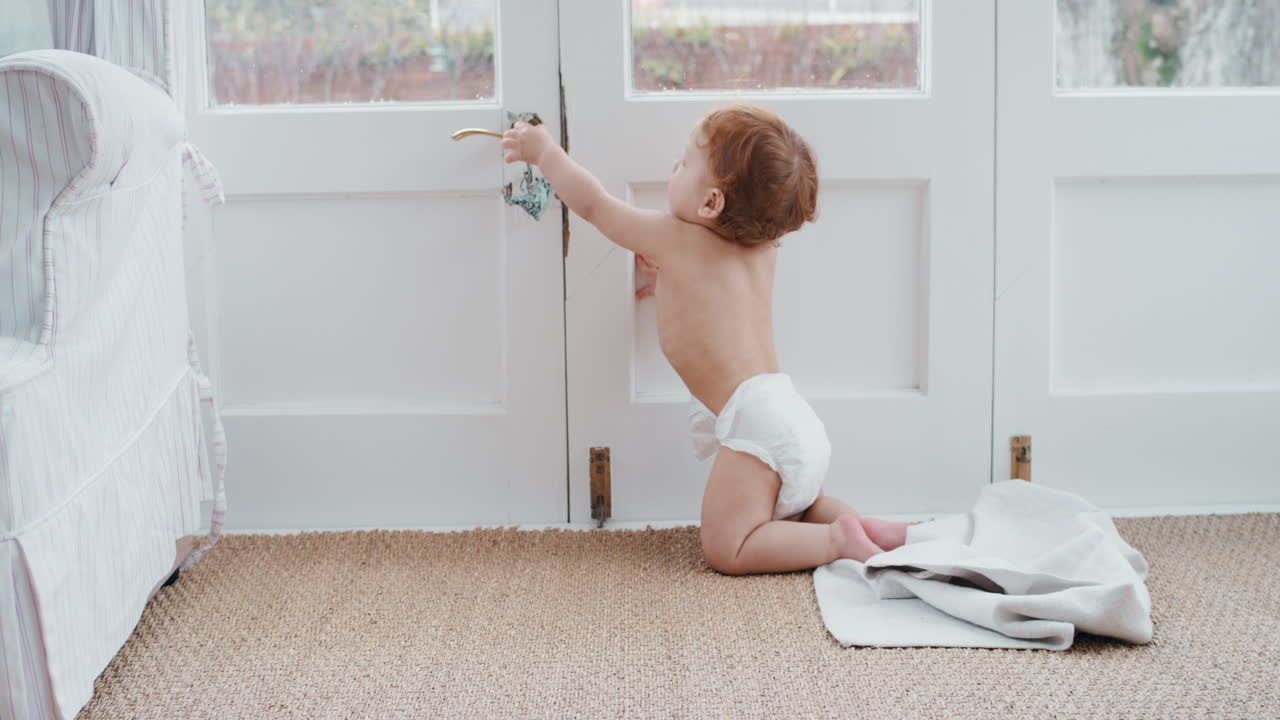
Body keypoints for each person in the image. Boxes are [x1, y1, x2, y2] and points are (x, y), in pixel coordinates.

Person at [502, 103, 910, 575]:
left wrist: (545, 152)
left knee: (726, 548)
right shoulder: (763, 251)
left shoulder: (675, 239)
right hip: (794, 420)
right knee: (799, 507)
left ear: (711, 203)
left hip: (757, 430)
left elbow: (595, 206)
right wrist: (665, 283)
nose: (672, 168)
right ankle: (866, 528)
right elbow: (715, 306)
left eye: (682, 163)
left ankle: (839, 539)